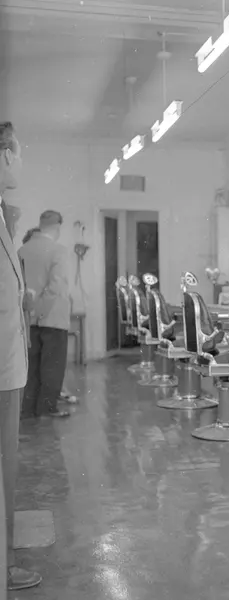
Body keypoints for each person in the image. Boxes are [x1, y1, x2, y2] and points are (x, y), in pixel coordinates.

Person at [0, 121, 42, 591]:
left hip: (9, 366)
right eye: (16, 151)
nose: (19, 160)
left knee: (6, 469)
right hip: (2, 367)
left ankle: (5, 557)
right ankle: (3, 565)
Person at [19, 210, 71, 419]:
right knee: (52, 366)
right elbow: (55, 287)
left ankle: (29, 408)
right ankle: (47, 408)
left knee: (31, 366)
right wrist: (40, 311)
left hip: (28, 319)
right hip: (53, 318)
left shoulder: (22, 251)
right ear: (57, 227)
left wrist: (31, 311)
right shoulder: (59, 251)